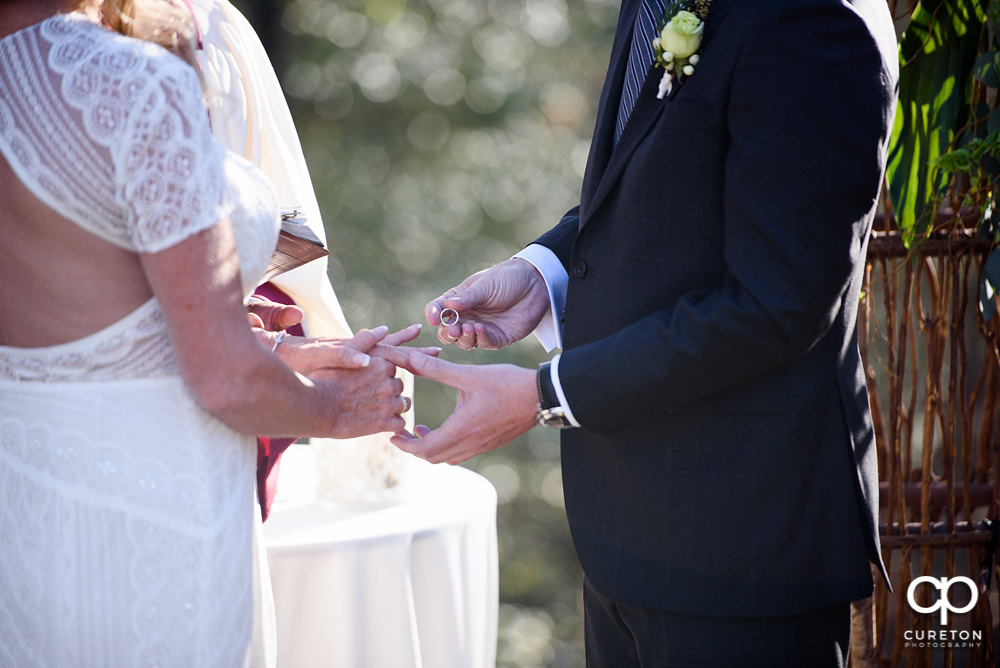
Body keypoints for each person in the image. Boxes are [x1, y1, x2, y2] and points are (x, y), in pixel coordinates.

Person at [390, 0, 900, 665]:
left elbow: (777, 305)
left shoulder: (811, 20)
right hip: (622, 540)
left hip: (740, 557)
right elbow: (660, 192)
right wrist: (544, 273)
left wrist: (545, 395)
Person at [0, 0, 422, 664]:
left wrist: (283, 351)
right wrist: (335, 409)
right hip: (150, 517)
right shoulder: (131, 81)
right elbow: (222, 380)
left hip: (23, 507)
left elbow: (86, 329)